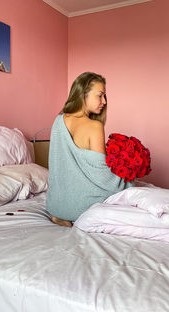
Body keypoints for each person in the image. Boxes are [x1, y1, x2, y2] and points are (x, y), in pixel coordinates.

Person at [46, 72, 134, 227]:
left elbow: (57, 168)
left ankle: (63, 215)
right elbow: (103, 177)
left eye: (105, 96)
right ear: (83, 94)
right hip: (84, 206)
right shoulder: (94, 126)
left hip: (56, 205)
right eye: (100, 96)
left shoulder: (58, 120)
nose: (104, 101)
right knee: (132, 190)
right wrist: (128, 177)